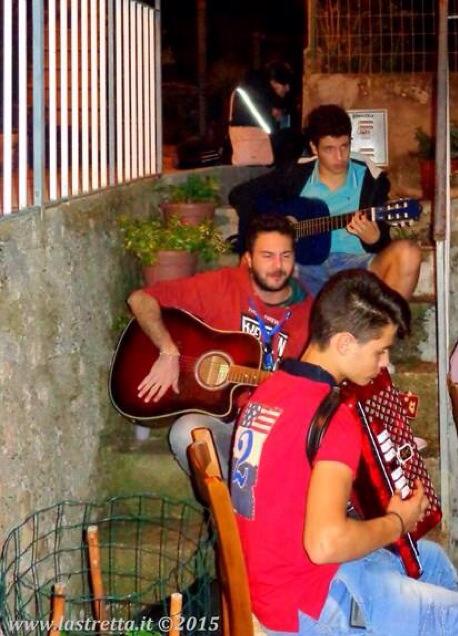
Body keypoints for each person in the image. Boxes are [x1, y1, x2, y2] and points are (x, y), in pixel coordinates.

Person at [230, 269, 458, 635]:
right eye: (380, 350)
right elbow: (325, 544)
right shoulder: (333, 419)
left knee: (431, 558)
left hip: (271, 580)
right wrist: (396, 522)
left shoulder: (269, 392)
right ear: (344, 343)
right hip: (306, 603)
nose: (384, 364)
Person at [127, 214, 313, 479]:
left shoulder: (309, 315)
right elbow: (140, 299)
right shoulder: (222, 285)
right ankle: (231, 502)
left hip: (271, 427)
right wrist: (167, 350)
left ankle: (245, 502)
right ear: (248, 259)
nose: (277, 266)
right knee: (187, 433)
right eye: (267, 256)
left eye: (285, 256)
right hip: (221, 421)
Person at [229, 104, 422, 300]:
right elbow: (240, 195)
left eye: (344, 146)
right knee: (257, 263)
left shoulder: (371, 180)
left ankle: (387, 320)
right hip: (302, 267)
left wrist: (374, 239)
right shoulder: (295, 174)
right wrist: (276, 226)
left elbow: (382, 243)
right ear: (314, 147)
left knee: (409, 253)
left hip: (356, 266)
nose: (339, 157)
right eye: (329, 149)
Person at [230, 61, 305, 165]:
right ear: (273, 82)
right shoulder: (250, 94)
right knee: (294, 137)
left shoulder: (262, 95)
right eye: (284, 84)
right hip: (254, 146)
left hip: (256, 145)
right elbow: (267, 127)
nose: (287, 88)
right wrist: (273, 116)